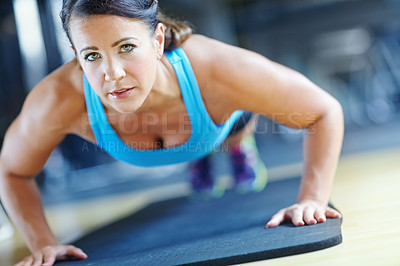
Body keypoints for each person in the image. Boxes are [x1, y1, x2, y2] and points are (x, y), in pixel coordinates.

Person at [0, 0, 343, 265]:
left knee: (233, 122)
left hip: (218, 121)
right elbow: (13, 170)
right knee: (198, 138)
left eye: (126, 47)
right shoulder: (58, 99)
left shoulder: (219, 70)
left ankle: (236, 146)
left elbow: (324, 111)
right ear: (75, 56)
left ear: (159, 39)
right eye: (92, 55)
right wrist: (43, 243)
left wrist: (312, 197)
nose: (112, 74)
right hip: (182, 126)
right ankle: (202, 156)